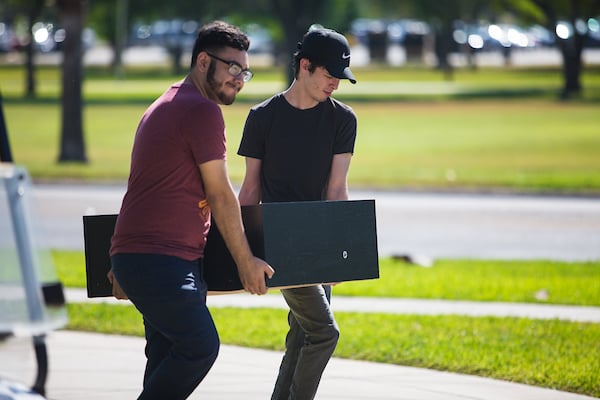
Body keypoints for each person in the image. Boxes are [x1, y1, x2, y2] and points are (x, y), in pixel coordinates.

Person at [108, 20, 274, 400]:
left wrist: (121, 258)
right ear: (203, 61)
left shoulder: (165, 104)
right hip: (160, 261)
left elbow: (143, 189)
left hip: (149, 259)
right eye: (232, 67)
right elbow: (219, 193)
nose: (240, 79)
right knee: (200, 346)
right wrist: (246, 261)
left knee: (165, 354)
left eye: (245, 71)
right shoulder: (200, 110)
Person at [237, 26, 358, 400]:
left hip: (319, 240)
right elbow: (251, 189)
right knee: (325, 333)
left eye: (341, 77)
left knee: (303, 333)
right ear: (305, 65)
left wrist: (341, 255)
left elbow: (337, 188)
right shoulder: (262, 117)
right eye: (330, 75)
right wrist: (237, 249)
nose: (336, 84)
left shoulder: (343, 119)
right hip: (279, 241)